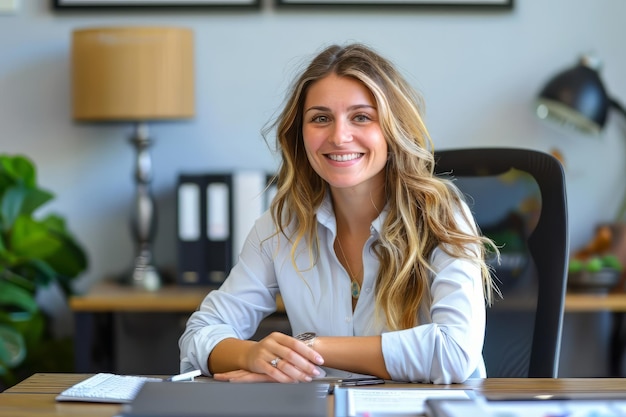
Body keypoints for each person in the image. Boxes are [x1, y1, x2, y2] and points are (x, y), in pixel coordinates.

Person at [179, 43, 499, 384]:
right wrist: (256, 356)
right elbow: (200, 333)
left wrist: (309, 349)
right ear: (299, 134)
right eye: (320, 118)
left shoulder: (440, 215)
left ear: (392, 129)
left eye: (361, 117)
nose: (339, 136)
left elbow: (455, 352)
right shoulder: (283, 224)